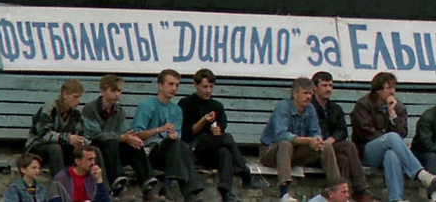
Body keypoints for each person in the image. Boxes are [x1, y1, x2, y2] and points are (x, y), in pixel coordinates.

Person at [349, 72, 436, 202]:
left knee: (391, 155)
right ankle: (420, 173)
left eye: (393, 87)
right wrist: (389, 140)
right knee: (392, 138)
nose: (392, 91)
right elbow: (365, 132)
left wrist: (392, 113)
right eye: (388, 88)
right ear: (378, 90)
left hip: (387, 150)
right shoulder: (363, 104)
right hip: (365, 151)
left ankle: (396, 199)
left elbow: (402, 133)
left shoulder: (398, 107)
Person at [179, 69, 265, 202]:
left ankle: (226, 192)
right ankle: (245, 174)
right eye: (205, 87)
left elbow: (222, 129)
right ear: (196, 85)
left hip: (211, 149)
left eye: (211, 87)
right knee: (227, 138)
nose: (208, 90)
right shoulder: (186, 103)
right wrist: (203, 121)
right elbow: (185, 133)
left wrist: (217, 131)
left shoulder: (217, 106)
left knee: (224, 152)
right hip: (194, 147)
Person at [259, 77, 347, 202]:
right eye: (305, 93)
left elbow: (315, 131)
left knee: (326, 146)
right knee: (286, 144)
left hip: (295, 152)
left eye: (311, 93)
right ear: (295, 94)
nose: (309, 97)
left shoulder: (310, 109)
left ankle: (337, 191)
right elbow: (281, 135)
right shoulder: (283, 107)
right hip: (270, 152)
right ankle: (284, 193)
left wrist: (317, 141)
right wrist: (307, 141)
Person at [82, 74, 164, 202]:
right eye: (113, 90)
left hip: (114, 149)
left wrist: (130, 138)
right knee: (110, 142)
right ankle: (119, 187)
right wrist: (120, 138)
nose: (117, 94)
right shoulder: (90, 108)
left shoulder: (120, 111)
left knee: (134, 144)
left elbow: (122, 133)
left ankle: (148, 188)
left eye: (119, 91)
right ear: (102, 91)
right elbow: (94, 135)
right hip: (97, 148)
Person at [132, 70, 204, 202]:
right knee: (179, 146)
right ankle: (188, 191)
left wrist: (174, 135)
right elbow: (137, 135)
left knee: (178, 144)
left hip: (170, 152)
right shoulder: (146, 106)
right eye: (170, 84)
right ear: (160, 85)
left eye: (177, 85)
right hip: (150, 151)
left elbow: (178, 137)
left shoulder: (177, 110)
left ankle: (168, 187)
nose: (174, 88)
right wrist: (159, 129)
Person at [311, 71, 375, 202]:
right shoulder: (310, 107)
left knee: (343, 159)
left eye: (330, 85)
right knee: (349, 146)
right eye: (324, 85)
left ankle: (342, 196)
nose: (328, 89)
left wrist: (332, 139)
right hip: (314, 148)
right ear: (315, 87)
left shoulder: (335, 108)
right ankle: (360, 189)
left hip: (332, 146)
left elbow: (342, 130)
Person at [26, 79, 89, 178]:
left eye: (80, 97)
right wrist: (67, 138)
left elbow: (83, 134)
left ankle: (100, 185)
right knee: (54, 149)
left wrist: (81, 141)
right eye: (75, 97)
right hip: (38, 147)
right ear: (65, 94)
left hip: (62, 147)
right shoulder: (50, 108)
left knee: (92, 150)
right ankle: (61, 183)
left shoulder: (76, 114)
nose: (79, 101)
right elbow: (43, 134)